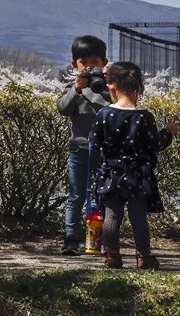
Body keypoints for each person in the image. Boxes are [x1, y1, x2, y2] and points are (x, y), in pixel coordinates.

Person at [89, 61, 180, 269]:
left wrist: (97, 170)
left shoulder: (103, 115)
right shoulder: (144, 116)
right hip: (138, 176)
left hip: (112, 173)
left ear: (110, 85)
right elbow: (155, 144)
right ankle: (144, 257)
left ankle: (112, 255)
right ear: (138, 87)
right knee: (138, 217)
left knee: (112, 215)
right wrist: (168, 131)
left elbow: (94, 143)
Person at [56, 35, 111, 255]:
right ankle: (71, 239)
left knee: (105, 196)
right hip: (79, 148)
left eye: (94, 63)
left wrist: (110, 83)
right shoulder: (73, 88)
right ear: (74, 65)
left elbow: (120, 106)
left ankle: (106, 239)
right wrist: (76, 89)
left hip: (106, 151)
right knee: (76, 195)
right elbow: (63, 108)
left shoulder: (110, 87)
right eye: (84, 63)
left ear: (104, 63)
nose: (89, 67)